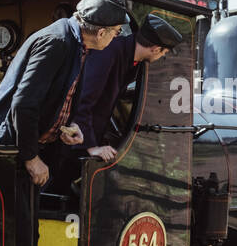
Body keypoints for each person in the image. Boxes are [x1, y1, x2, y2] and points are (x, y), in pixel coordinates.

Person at [0, 0, 127, 246]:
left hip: (24, 151)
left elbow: (48, 101)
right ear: (99, 31)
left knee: (27, 238)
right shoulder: (56, 42)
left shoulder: (74, 42)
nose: (113, 39)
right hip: (11, 155)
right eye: (113, 32)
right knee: (17, 243)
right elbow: (24, 103)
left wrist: (64, 128)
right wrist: (32, 157)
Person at [71, 13, 184, 162]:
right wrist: (91, 147)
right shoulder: (108, 52)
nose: (161, 57)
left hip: (87, 139)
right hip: (73, 144)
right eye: (164, 53)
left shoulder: (129, 58)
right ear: (156, 49)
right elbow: (81, 99)